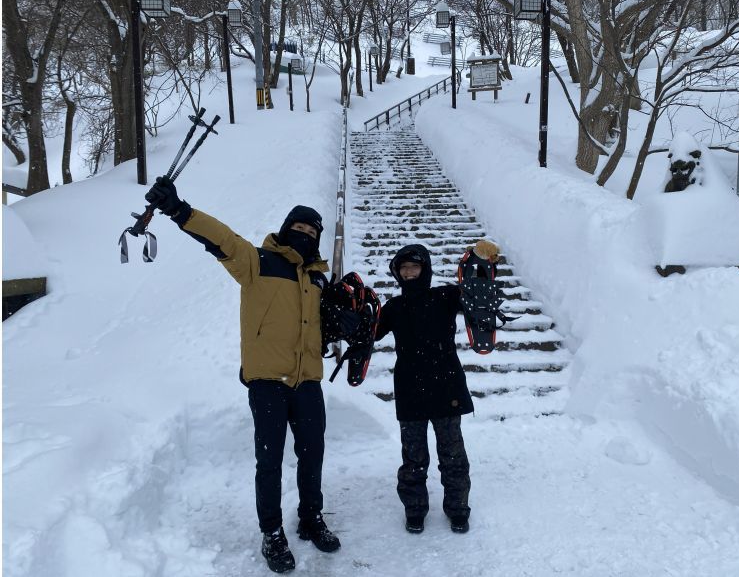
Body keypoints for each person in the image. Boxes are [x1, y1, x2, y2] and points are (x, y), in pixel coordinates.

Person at [145, 177, 356, 574]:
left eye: (313, 232)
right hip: (267, 382)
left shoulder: (318, 278)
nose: (306, 235)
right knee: (270, 461)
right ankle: (272, 533)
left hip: (308, 379)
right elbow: (221, 238)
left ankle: (311, 518)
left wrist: (342, 323)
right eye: (300, 228)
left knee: (313, 455)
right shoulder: (258, 261)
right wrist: (179, 210)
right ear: (286, 228)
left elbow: (321, 325)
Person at [374, 240, 499, 535]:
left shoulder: (445, 295)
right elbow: (371, 333)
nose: (408, 272)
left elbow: (475, 290)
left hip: (446, 387)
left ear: (425, 269)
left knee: (452, 455)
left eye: (413, 266)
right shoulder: (393, 307)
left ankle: (457, 509)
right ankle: (415, 510)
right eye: (403, 268)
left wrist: (483, 263)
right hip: (410, 389)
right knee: (413, 458)